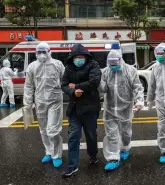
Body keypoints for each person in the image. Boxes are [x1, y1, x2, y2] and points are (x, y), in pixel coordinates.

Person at [99, 50, 144, 171]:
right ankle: (113, 158)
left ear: (120, 60)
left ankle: (125, 147)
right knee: (111, 134)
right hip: (109, 109)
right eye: (111, 63)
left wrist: (139, 101)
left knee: (126, 134)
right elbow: (102, 90)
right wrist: (99, 81)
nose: (113, 66)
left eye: (115, 63)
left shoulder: (130, 71)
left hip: (125, 108)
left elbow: (137, 87)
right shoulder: (105, 72)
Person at [61, 44, 101, 178]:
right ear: (72, 57)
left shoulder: (93, 65)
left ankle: (93, 155)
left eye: (81, 57)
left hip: (90, 109)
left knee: (91, 136)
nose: (79, 59)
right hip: (74, 109)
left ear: (86, 56)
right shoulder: (69, 67)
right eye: (77, 57)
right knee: (73, 137)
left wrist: (77, 86)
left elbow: (94, 81)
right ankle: (72, 166)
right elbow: (64, 84)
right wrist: (72, 91)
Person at [23, 42, 65, 168]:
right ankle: (48, 151)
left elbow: (65, 80)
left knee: (53, 129)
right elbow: (29, 86)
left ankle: (56, 155)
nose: (41, 54)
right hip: (40, 101)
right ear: (36, 53)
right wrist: (28, 103)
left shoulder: (57, 64)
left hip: (55, 101)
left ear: (49, 51)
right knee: (43, 129)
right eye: (39, 52)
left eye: (44, 52)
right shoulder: (32, 67)